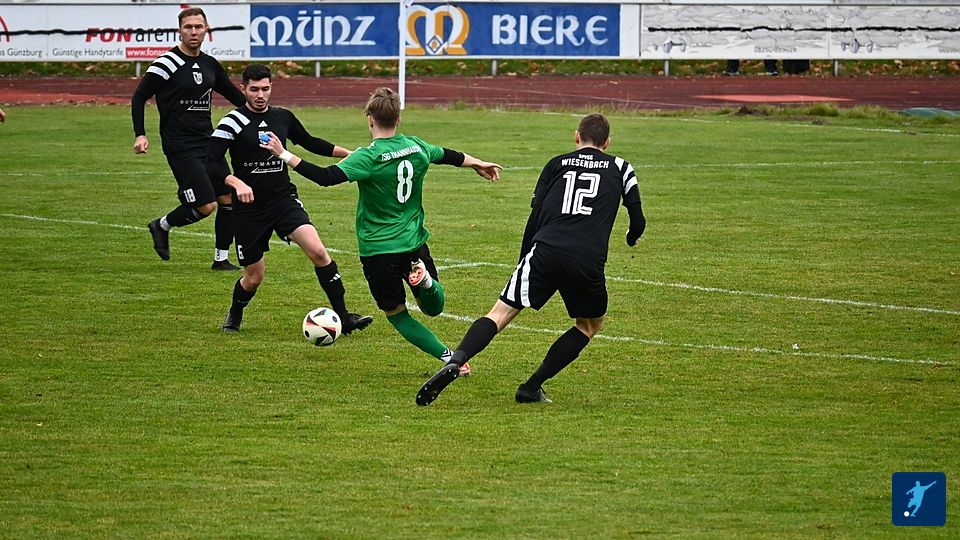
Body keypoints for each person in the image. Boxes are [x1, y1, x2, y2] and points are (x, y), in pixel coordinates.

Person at [259, 87, 501, 375]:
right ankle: (425, 283)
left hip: (378, 249)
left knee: (397, 315)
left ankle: (450, 357)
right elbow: (449, 155)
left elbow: (326, 177)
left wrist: (283, 153)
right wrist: (477, 163)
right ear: (398, 119)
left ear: (370, 119)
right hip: (413, 241)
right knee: (434, 307)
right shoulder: (416, 146)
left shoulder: (368, 157)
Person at [415, 112, 646, 406]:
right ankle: (531, 387)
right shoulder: (622, 167)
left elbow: (535, 216)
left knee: (499, 314)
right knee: (589, 325)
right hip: (587, 259)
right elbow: (638, 222)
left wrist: (524, 258)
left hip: (545, 249)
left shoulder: (556, 163)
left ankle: (457, 360)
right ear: (607, 142)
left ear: (577, 137)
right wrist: (631, 237)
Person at [206, 64, 373, 335]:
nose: (260, 95)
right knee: (254, 277)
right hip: (249, 209)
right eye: (254, 89)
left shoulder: (282, 117)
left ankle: (344, 318)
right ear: (243, 89)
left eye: (265, 89)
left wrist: (351, 154)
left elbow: (310, 142)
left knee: (318, 252)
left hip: (283, 200)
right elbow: (211, 160)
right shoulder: (232, 122)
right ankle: (235, 311)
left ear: (271, 87)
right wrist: (236, 182)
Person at [132, 7, 246, 270]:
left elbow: (235, 97)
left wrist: (262, 115)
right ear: (179, 31)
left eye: (198, 27)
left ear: (206, 30)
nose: (194, 32)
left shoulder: (210, 65)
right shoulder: (166, 63)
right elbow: (139, 96)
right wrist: (140, 133)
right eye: (188, 27)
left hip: (208, 142)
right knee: (206, 206)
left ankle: (221, 259)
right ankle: (162, 225)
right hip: (180, 144)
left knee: (228, 197)